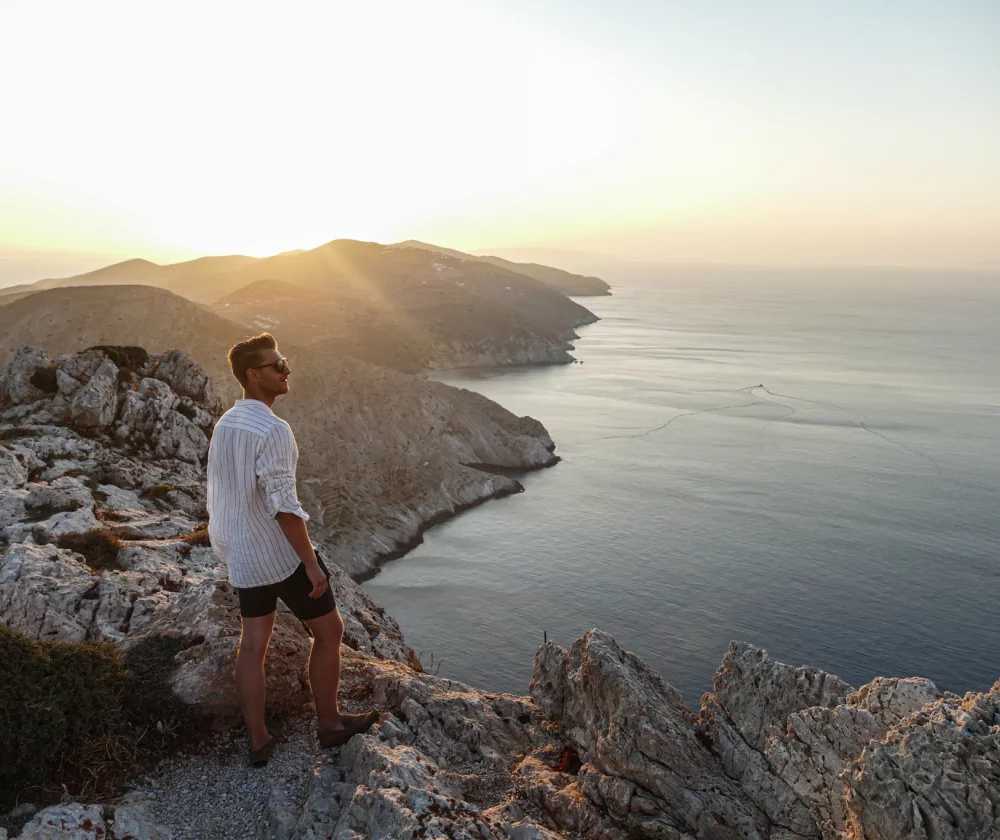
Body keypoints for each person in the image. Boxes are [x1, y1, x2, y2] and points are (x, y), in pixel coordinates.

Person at [206, 332, 378, 766]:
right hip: (279, 553)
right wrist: (311, 565)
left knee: (252, 645)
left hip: (242, 552)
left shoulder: (226, 422)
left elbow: (223, 492)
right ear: (252, 375)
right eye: (277, 365)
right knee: (330, 631)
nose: (287, 370)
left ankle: (259, 740)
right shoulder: (273, 429)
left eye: (285, 361)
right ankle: (330, 724)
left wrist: (228, 547)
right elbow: (284, 507)